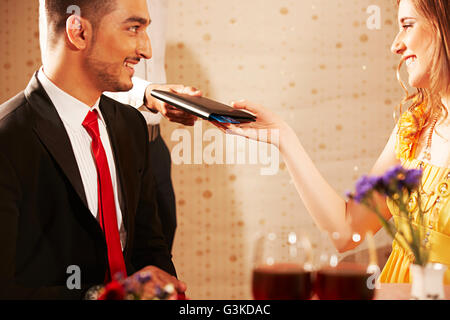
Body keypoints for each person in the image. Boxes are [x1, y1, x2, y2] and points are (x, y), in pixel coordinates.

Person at [216, 0, 450, 284]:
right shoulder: (414, 127)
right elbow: (347, 230)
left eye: (407, 26)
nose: (395, 45)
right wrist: (283, 138)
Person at [0, 0, 187, 299]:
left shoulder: (131, 125)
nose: (146, 50)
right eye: (134, 28)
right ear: (78, 32)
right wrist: (102, 295)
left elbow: (150, 249)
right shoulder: (7, 138)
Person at [38, 0, 196, 253]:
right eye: (134, 28)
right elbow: (71, 65)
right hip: (96, 137)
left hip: (150, 143)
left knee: (152, 260)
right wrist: (145, 93)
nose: (147, 50)